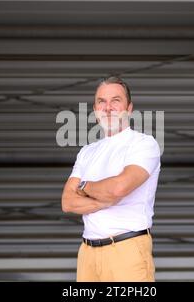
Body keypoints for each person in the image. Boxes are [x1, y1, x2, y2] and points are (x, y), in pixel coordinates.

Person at [61, 76, 161, 282]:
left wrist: (84, 187)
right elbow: (67, 202)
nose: (108, 108)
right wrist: (104, 197)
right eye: (101, 101)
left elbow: (118, 188)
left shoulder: (143, 144)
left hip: (126, 250)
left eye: (115, 100)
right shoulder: (87, 152)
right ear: (95, 110)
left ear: (129, 108)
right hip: (87, 253)